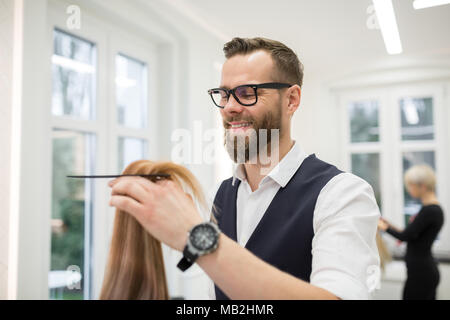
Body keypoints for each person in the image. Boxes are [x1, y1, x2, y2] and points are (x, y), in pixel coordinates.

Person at [108, 37, 381, 300]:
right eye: (223, 94)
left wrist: (199, 237)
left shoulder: (342, 194)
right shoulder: (222, 195)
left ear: (291, 100)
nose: (229, 108)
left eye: (246, 93)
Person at [378, 164, 444, 300]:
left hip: (422, 273)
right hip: (419, 271)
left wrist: (383, 227)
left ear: (422, 186)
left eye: (411, 185)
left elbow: (406, 236)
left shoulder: (431, 211)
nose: (408, 189)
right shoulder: (429, 209)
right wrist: (387, 224)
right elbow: (412, 233)